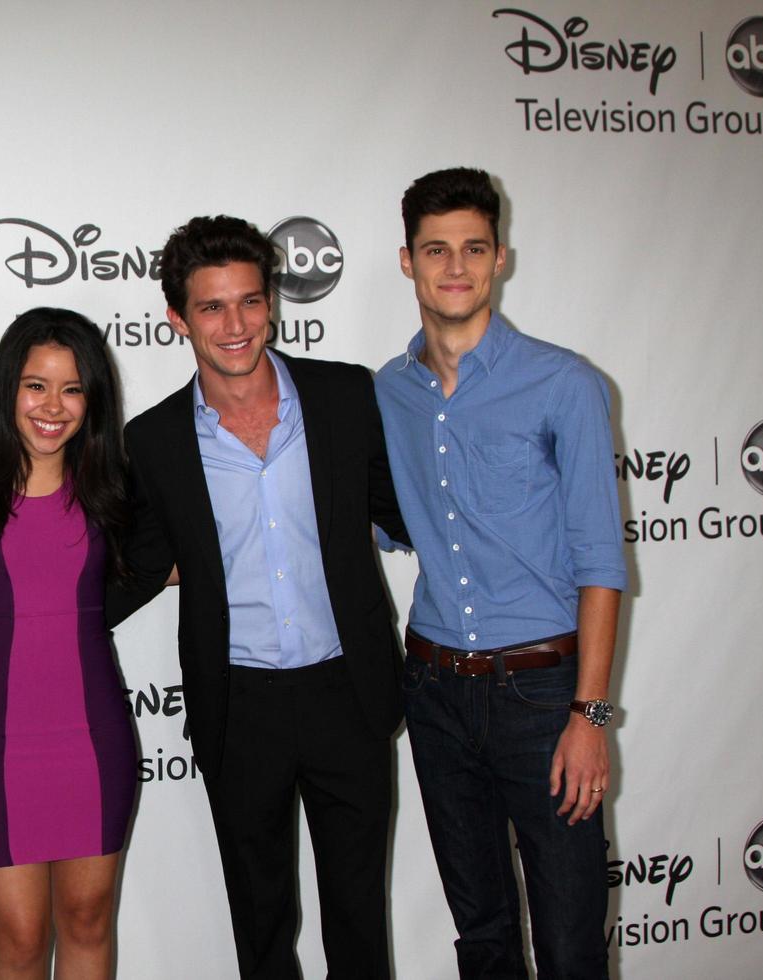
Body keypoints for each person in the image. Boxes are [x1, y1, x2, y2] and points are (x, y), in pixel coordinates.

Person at [107, 216, 409, 979]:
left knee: (359, 921)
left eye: (249, 301)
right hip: (239, 706)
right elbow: (135, 566)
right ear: (177, 319)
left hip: (349, 690)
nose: (234, 325)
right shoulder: (153, 440)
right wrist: (18, 614)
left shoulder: (345, 396)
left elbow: (409, 510)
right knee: (261, 927)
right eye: (211, 307)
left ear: (271, 301)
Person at [375, 167, 626, 979]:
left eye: (473, 248)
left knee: (569, 941)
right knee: (480, 935)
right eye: (436, 249)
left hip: (544, 699)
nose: (456, 266)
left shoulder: (566, 384)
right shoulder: (387, 393)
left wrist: (590, 715)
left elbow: (600, 564)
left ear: (501, 257)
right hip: (436, 692)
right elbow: (371, 521)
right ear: (407, 261)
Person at [0, 308, 136, 980]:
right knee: (18, 938)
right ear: (6, 389)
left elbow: (184, 563)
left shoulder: (112, 486)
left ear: (92, 399)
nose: (53, 406)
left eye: (72, 388)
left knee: (88, 921)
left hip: (92, 734)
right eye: (35, 385)